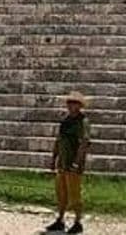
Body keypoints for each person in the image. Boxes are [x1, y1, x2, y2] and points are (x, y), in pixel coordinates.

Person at [44, 91, 91, 234]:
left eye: (74, 103)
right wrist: (53, 158)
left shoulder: (83, 122)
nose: (71, 106)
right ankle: (60, 219)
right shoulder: (65, 121)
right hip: (62, 162)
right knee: (61, 193)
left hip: (73, 163)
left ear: (79, 106)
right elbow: (58, 140)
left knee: (74, 194)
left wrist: (77, 162)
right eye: (69, 103)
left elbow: (84, 143)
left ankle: (78, 222)